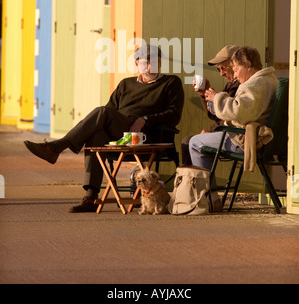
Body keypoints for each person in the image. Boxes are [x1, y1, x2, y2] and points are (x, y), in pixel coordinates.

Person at [24, 44, 184, 212]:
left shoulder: (171, 83)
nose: (150, 67)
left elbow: (174, 114)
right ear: (137, 64)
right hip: (121, 133)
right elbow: (108, 113)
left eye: (155, 62)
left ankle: (57, 147)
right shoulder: (125, 84)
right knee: (97, 134)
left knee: (102, 113)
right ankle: (91, 197)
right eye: (145, 62)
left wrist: (144, 119)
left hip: (146, 135)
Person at [189, 46, 278, 209]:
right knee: (199, 140)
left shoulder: (255, 84)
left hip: (244, 140)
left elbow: (238, 112)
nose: (235, 74)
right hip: (254, 137)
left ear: (248, 64)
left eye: (235, 69)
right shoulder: (268, 80)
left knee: (195, 143)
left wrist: (217, 97)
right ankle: (209, 197)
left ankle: (209, 199)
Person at [181, 45, 240, 165]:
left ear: (235, 65)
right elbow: (216, 116)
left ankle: (198, 182)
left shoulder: (242, 86)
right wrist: (205, 93)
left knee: (191, 141)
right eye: (219, 70)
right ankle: (195, 181)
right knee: (188, 141)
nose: (221, 74)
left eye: (224, 68)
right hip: (225, 132)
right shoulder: (230, 85)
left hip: (235, 137)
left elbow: (232, 117)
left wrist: (213, 132)